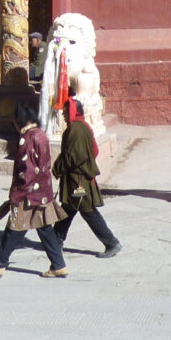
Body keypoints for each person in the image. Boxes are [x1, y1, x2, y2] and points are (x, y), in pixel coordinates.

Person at [0, 103, 67, 278]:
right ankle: (58, 265)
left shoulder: (27, 139)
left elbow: (26, 170)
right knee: (45, 229)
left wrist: (17, 194)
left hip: (28, 194)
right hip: (43, 191)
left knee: (14, 227)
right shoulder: (41, 135)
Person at [52, 96, 121, 257]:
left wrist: (58, 168)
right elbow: (93, 150)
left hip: (78, 180)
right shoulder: (82, 126)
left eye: (66, 111)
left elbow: (73, 156)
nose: (63, 114)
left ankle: (111, 242)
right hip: (77, 177)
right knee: (68, 208)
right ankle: (55, 240)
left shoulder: (76, 129)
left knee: (88, 211)